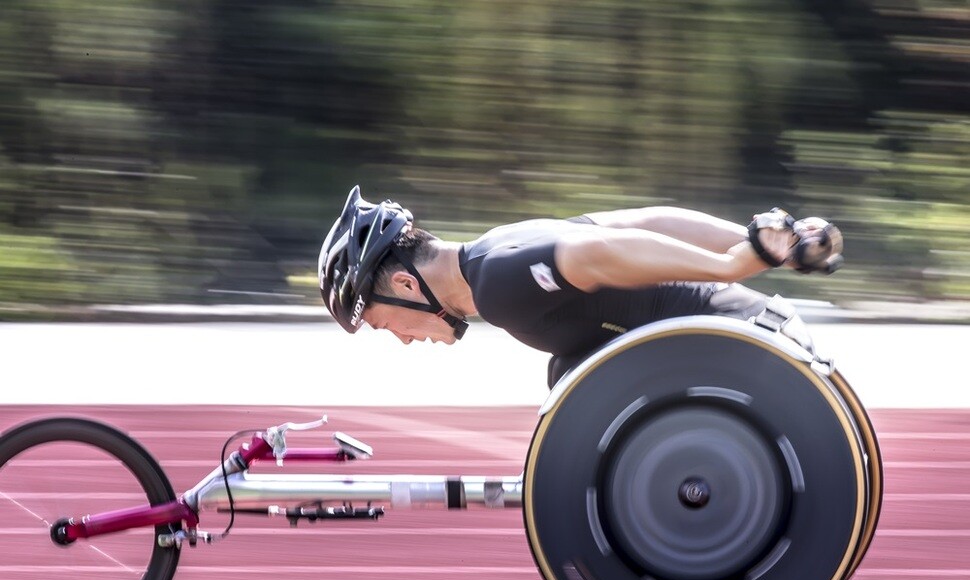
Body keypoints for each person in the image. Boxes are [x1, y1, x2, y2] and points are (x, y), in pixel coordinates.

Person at [318, 186, 843, 387]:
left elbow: (600, 252)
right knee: (567, 374)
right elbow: (646, 220)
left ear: (407, 284)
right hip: (756, 335)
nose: (405, 339)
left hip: (753, 352)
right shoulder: (498, 245)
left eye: (386, 325)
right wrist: (770, 253)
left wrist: (733, 264)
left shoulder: (498, 284)